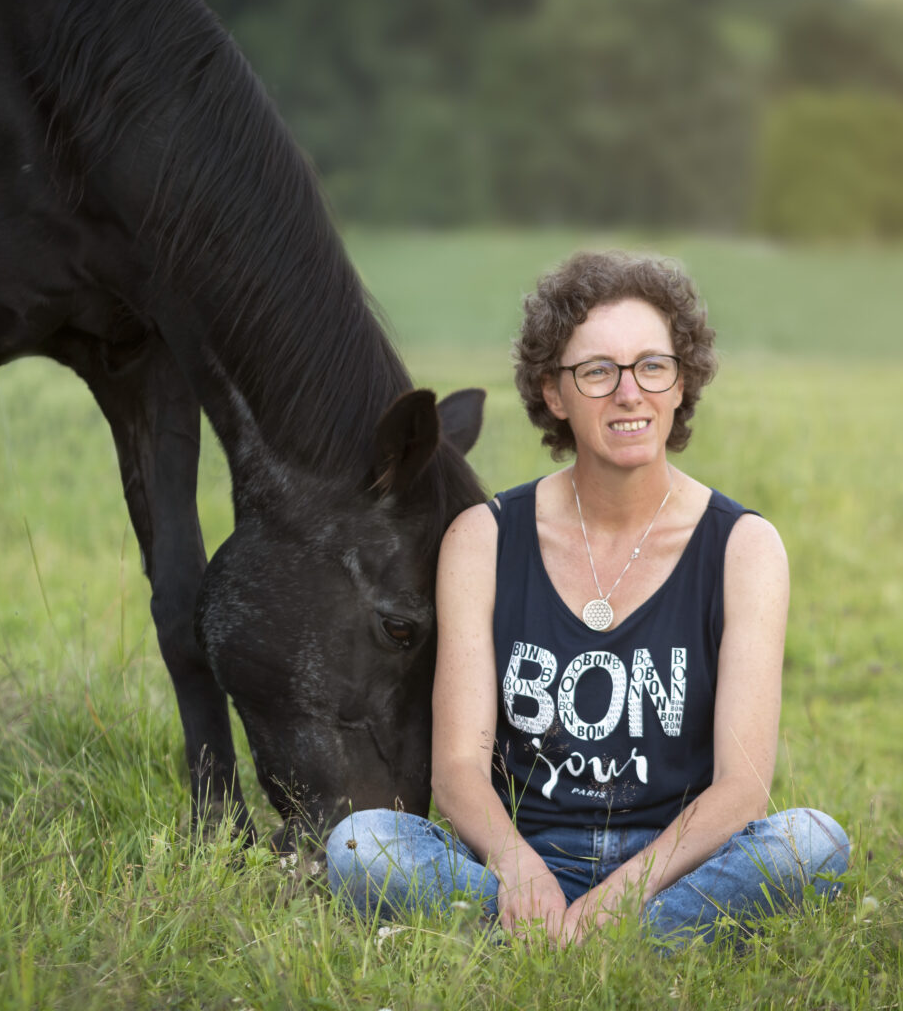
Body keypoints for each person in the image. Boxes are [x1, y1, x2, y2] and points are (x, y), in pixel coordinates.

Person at [326, 250, 849, 949]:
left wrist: (623, 897)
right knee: (360, 845)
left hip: (674, 864)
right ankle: (639, 943)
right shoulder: (483, 538)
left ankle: (544, 943)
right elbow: (456, 768)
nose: (628, 393)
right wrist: (519, 868)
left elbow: (742, 788)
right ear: (553, 393)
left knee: (812, 843)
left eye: (651, 366)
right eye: (597, 371)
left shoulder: (744, 549)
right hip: (523, 855)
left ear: (679, 380)